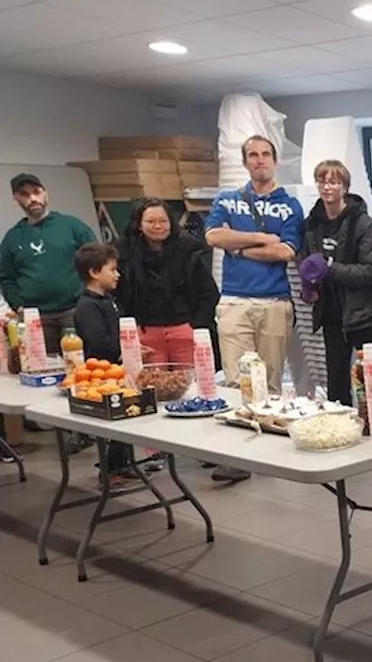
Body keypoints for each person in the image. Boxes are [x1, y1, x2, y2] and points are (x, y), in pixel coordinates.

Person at [204, 135, 303, 483]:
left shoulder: (290, 205)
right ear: (245, 162)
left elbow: (286, 252)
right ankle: (238, 456)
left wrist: (238, 245)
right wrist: (261, 239)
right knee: (236, 381)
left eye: (265, 155)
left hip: (275, 301)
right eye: (253, 156)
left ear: (274, 161)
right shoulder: (227, 199)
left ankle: (268, 453)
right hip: (234, 300)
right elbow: (214, 237)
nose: (260, 161)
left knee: (271, 380)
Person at [302, 160, 372, 408]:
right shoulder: (312, 224)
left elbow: (369, 272)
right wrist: (310, 286)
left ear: (345, 187)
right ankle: (341, 434)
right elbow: (308, 261)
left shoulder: (364, 225)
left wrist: (329, 268)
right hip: (330, 315)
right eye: (322, 181)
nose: (327, 187)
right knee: (336, 386)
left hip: (363, 316)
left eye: (334, 182)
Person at [113, 198, 219, 365]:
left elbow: (209, 294)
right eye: (151, 221)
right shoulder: (124, 254)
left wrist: (195, 326)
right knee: (153, 387)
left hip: (184, 332)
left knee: (191, 385)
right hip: (144, 334)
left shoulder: (189, 251)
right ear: (139, 225)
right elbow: (118, 295)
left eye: (163, 221)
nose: (158, 226)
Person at [1, 173, 98, 354]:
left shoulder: (71, 226)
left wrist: (89, 298)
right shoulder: (12, 238)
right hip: (36, 317)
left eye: (36, 192)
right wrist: (19, 307)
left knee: (81, 364)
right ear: (16, 199)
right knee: (44, 367)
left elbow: (96, 260)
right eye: (25, 194)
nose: (32, 198)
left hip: (74, 310)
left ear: (46, 193)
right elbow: (6, 277)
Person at [72, 243, 131, 485]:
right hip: (102, 374)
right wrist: (121, 353)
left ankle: (122, 463)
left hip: (116, 369)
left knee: (125, 419)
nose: (117, 274)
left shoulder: (108, 300)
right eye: (112, 269)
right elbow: (100, 341)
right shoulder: (87, 306)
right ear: (95, 272)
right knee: (114, 423)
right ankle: (111, 469)